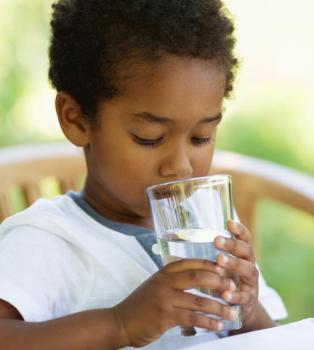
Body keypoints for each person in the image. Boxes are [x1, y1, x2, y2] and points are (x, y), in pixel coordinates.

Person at [0, 1, 287, 349]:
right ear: (77, 119)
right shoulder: (46, 241)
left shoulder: (208, 228)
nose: (180, 166)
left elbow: (277, 341)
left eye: (200, 138)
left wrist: (248, 309)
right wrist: (118, 325)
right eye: (149, 138)